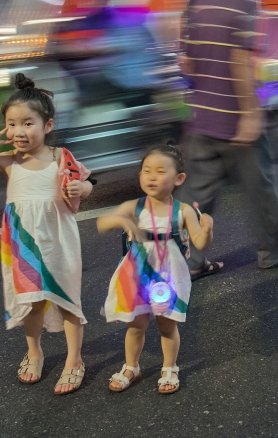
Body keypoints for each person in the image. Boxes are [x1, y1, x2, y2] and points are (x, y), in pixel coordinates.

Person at [178, 0, 278, 275]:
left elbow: (186, 62)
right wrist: (249, 114)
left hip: (202, 118)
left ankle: (190, 260)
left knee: (197, 196)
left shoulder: (197, 1)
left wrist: (204, 95)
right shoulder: (246, 2)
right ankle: (273, 252)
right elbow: (241, 61)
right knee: (263, 189)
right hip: (237, 122)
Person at [0, 74, 92, 394]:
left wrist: (80, 187)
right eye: (12, 124)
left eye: (28, 123)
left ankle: (74, 360)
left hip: (60, 240)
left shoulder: (61, 157)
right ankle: (34, 351)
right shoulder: (5, 161)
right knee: (31, 302)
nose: (19, 131)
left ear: (48, 125)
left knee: (69, 301)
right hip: (23, 244)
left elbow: (86, 183)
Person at [97, 143, 214, 394]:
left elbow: (200, 242)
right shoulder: (134, 206)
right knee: (135, 325)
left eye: (161, 171)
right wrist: (119, 219)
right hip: (136, 274)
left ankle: (169, 368)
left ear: (178, 178)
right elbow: (102, 222)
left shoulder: (182, 211)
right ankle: (132, 366)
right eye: (147, 170)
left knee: (166, 325)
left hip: (168, 276)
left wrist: (207, 230)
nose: (152, 176)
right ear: (140, 175)